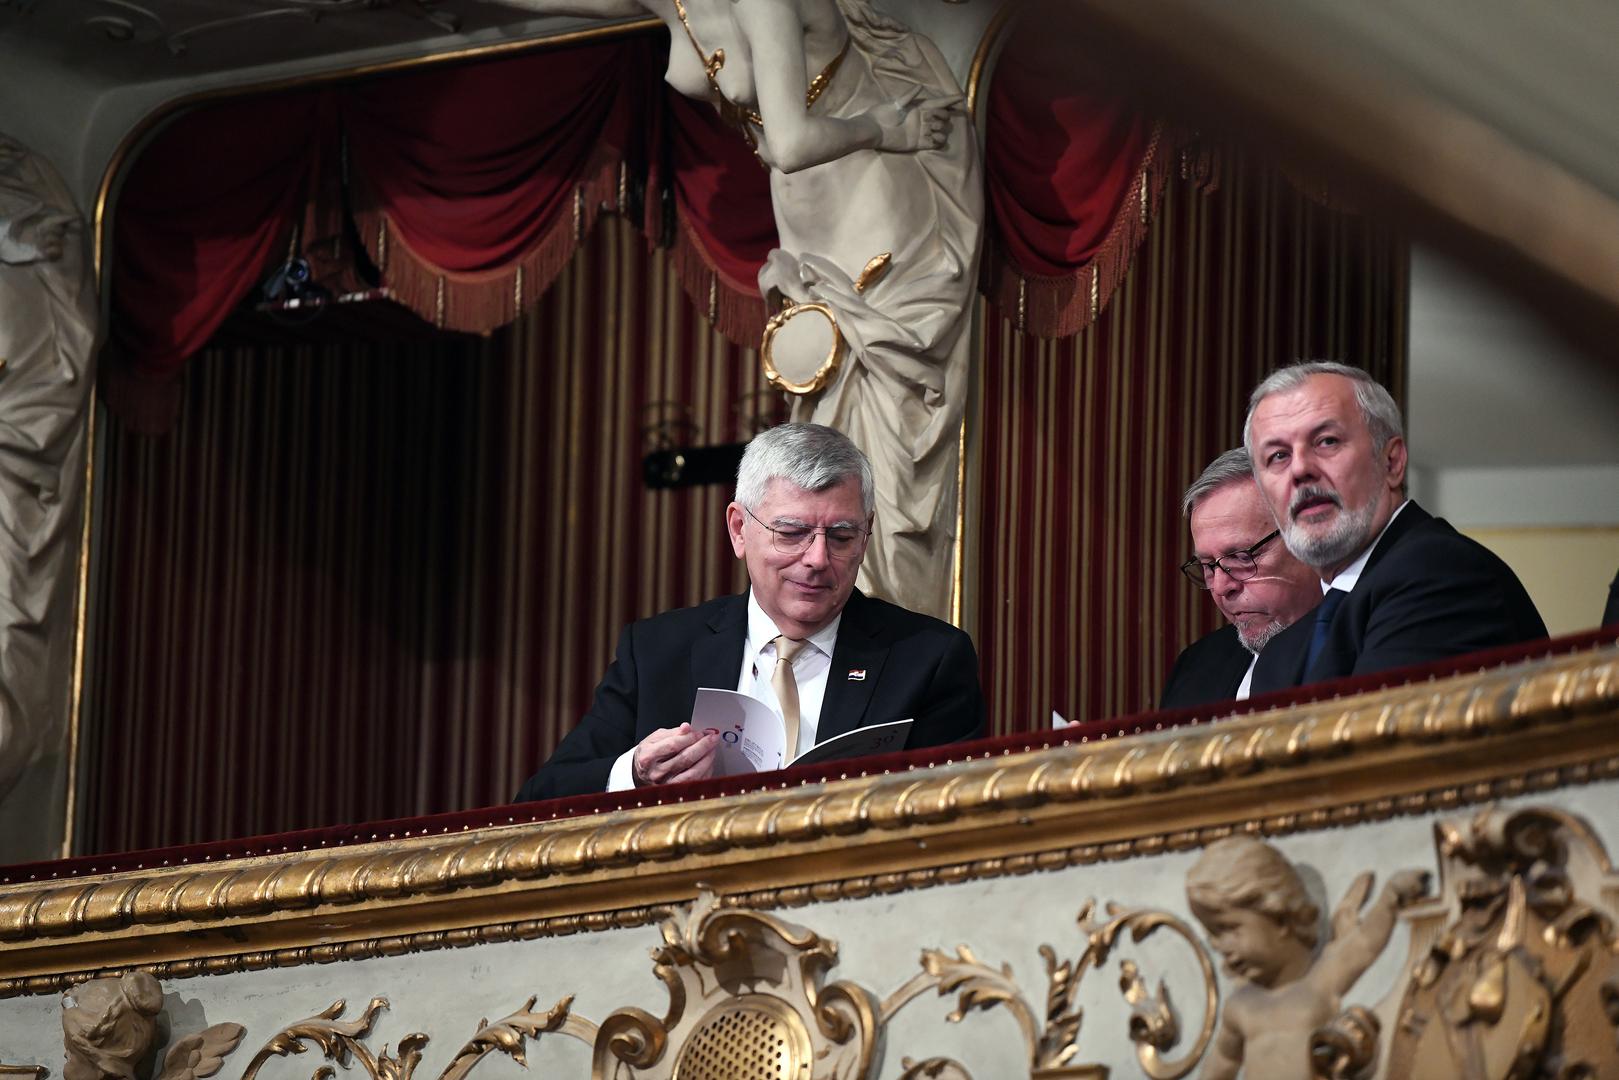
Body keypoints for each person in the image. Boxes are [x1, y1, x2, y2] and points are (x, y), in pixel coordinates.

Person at [505, 0, 982, 622]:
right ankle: (831, 671)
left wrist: (889, 129)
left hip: (876, 221)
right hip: (813, 244)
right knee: (825, 455)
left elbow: (790, 143)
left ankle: (891, 662)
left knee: (881, 465)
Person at [516, 423, 985, 801]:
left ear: (866, 536)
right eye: (791, 533)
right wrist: (636, 772)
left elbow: (958, 816)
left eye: (841, 537)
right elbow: (537, 802)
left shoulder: (927, 660)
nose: (818, 559)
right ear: (739, 530)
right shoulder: (659, 651)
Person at [1244, 363, 1546, 695]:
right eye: (1278, 456)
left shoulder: (1439, 572)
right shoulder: (1281, 653)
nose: (1300, 469)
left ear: (1392, 462)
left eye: (1327, 441)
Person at [1186, 836, 1427, 1080]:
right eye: (1213, 935)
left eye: (1229, 929)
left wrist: (1389, 898)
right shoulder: (1240, 1006)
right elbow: (1222, 1065)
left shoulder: (1321, 980)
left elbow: (1364, 942)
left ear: (1279, 917)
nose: (1220, 946)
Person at [1161, 448, 1321, 708]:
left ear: (1308, 541)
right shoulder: (1195, 668)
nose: (1221, 587)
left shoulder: (1368, 645)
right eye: (1208, 566)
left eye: (1242, 557)